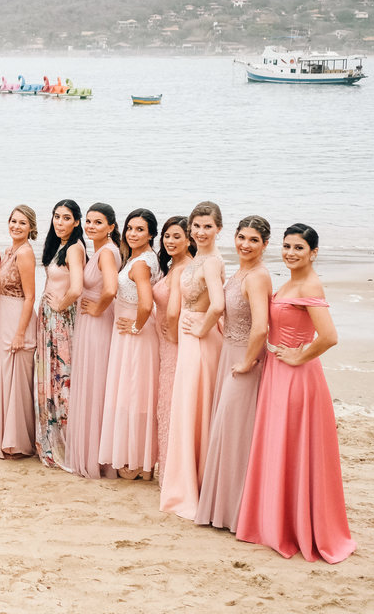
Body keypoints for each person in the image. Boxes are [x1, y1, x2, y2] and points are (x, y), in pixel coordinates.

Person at [236, 224, 356, 563]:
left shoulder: (309, 283)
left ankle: (293, 527)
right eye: (287, 246)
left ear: (313, 253)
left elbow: (329, 337)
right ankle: (277, 522)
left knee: (292, 446)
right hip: (277, 371)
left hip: (297, 376)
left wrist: (299, 355)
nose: (290, 253)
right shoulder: (288, 281)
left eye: (299, 248)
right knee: (279, 445)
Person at [195, 215, 272, 530]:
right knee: (225, 430)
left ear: (265, 245)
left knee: (236, 431)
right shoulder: (239, 272)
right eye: (242, 237)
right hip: (229, 351)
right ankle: (220, 508)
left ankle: (238, 512)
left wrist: (248, 361)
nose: (246, 244)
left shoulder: (257, 276)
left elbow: (261, 327)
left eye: (254, 240)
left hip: (244, 359)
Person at [160, 201, 226, 519]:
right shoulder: (198, 259)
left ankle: (193, 486)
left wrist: (201, 327)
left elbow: (218, 303)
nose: (200, 232)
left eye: (207, 227)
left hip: (200, 341)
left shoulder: (211, 262)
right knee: (187, 407)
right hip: (191, 338)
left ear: (218, 229)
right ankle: (189, 482)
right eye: (196, 226)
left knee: (193, 406)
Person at [98, 209, 161, 480]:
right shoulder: (139, 258)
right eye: (130, 228)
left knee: (133, 392)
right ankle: (134, 456)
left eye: (140, 230)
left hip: (135, 336)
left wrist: (136, 326)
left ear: (151, 234)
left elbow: (146, 303)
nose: (133, 234)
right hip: (130, 334)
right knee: (130, 391)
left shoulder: (140, 264)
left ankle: (135, 460)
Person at [68, 203, 121, 479]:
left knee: (95, 384)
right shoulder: (100, 251)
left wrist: (98, 309)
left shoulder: (107, 254)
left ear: (111, 226)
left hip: (99, 325)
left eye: (98, 222)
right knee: (92, 383)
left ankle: (96, 457)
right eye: (88, 221)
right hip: (92, 324)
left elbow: (111, 289)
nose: (90, 226)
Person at [35, 199, 86, 471]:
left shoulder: (75, 249)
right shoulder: (60, 246)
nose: (59, 222)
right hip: (48, 320)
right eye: (56, 216)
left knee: (62, 379)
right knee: (50, 378)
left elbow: (77, 288)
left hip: (61, 322)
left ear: (76, 222)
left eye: (66, 218)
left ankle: (65, 444)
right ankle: (50, 440)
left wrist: (60, 306)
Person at [0, 204, 38, 458]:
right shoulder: (9, 250)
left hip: (19, 319)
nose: (16, 226)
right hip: (5, 317)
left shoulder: (25, 253)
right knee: (6, 379)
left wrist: (21, 333)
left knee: (18, 382)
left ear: (30, 227)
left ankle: (19, 443)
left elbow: (31, 297)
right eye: (13, 221)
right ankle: (6, 438)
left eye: (22, 223)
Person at [153, 215, 194, 486]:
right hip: (166, 344)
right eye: (167, 235)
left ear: (189, 240)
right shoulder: (174, 265)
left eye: (177, 236)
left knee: (172, 403)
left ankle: (174, 473)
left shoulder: (183, 268)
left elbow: (176, 309)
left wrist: (170, 328)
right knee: (167, 403)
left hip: (175, 344)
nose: (170, 241)